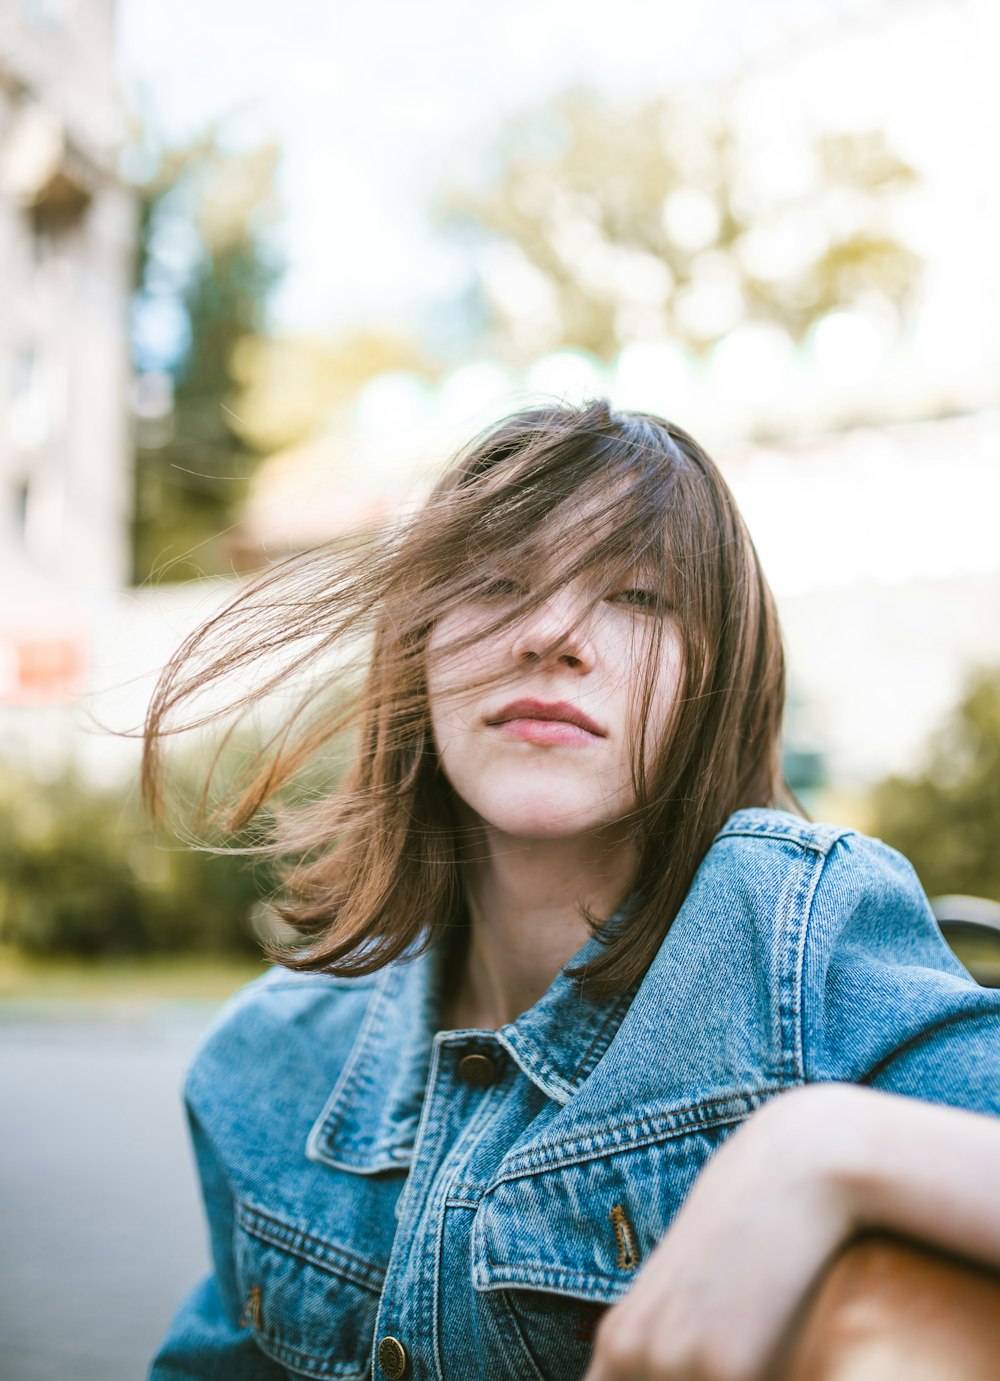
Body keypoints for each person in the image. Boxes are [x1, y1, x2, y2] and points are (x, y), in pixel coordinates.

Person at [146, 399, 1000, 1381]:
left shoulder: (796, 935)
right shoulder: (267, 1061)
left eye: (638, 596)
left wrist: (820, 1149)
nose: (553, 633)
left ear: (710, 673)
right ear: (416, 652)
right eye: (498, 582)